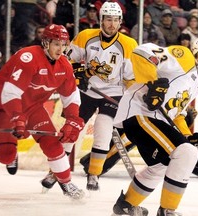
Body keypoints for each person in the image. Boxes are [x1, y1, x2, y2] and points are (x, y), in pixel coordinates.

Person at [111, 35, 198, 215]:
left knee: (161, 165)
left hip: (154, 119)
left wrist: (189, 136)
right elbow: (142, 52)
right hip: (140, 113)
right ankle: (167, 211)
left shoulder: (197, 84)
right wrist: (154, 84)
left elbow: (176, 113)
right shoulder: (184, 57)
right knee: (186, 153)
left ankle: (125, 207)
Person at [0, 24, 85, 200]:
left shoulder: (64, 65)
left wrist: (72, 119)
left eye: (63, 44)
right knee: (5, 156)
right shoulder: (28, 57)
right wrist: (17, 118)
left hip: (32, 107)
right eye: (56, 44)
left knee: (52, 143)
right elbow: (10, 92)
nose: (60, 49)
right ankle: (8, 150)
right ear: (46, 43)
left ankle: (66, 183)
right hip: (3, 106)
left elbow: (72, 96)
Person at [66, 2, 137, 192]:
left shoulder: (129, 44)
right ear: (101, 20)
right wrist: (78, 74)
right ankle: (56, 171)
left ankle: (94, 175)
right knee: (71, 130)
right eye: (108, 19)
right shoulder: (86, 36)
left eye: (115, 20)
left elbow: (131, 77)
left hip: (112, 94)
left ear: (120, 21)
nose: (112, 24)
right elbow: (67, 62)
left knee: (103, 133)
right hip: (87, 92)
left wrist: (132, 97)